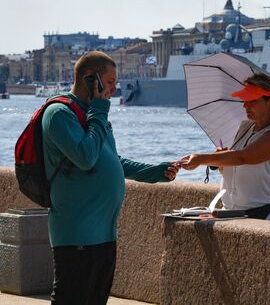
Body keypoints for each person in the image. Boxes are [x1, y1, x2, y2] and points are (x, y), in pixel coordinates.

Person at [41, 51, 181, 305]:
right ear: (89, 79)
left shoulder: (94, 115)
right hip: (76, 233)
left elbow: (113, 161)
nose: (115, 89)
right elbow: (86, 156)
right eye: (109, 81)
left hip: (104, 235)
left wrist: (157, 172)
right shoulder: (60, 114)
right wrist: (99, 111)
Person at [179, 74, 270, 222]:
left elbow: (243, 157)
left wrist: (201, 159)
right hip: (234, 214)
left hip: (267, 214)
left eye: (252, 101)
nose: (245, 105)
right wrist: (221, 161)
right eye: (245, 100)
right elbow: (236, 167)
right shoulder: (245, 128)